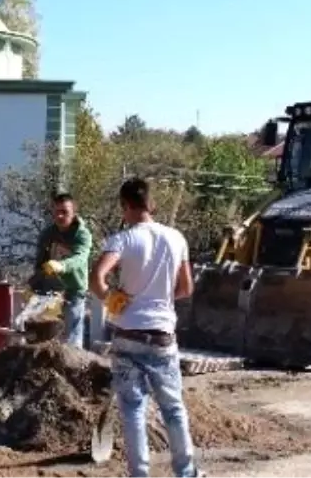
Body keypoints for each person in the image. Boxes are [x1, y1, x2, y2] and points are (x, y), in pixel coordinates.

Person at [91, 178, 199, 478]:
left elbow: (97, 277)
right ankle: (186, 472)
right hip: (162, 336)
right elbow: (186, 288)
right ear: (150, 203)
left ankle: (139, 474)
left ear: (125, 205)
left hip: (127, 335)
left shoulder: (123, 239)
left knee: (133, 410)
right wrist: (161, 297)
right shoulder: (177, 238)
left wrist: (111, 299)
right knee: (173, 408)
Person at [28, 193, 93, 348]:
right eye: (56, 212)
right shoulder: (47, 234)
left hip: (74, 289)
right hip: (50, 291)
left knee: (72, 338)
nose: (60, 216)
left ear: (74, 213)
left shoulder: (82, 234)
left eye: (64, 212)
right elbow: (39, 263)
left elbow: (80, 258)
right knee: (42, 336)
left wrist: (62, 265)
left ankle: (72, 366)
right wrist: (35, 284)